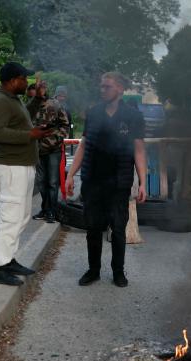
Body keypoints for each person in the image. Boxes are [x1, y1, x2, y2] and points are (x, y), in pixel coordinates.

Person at [65, 71, 147, 288]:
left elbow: (139, 150)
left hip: (119, 183)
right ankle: (93, 271)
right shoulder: (93, 113)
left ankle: (118, 272)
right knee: (92, 229)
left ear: (119, 89)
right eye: (101, 86)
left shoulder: (133, 116)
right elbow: (84, 145)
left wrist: (143, 182)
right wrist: (71, 175)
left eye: (107, 86)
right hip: (92, 181)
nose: (102, 90)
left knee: (118, 230)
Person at [0, 62, 53, 286]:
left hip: (22, 166)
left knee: (21, 216)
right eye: (24, 79)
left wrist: (37, 100)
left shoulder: (12, 100)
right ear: (13, 80)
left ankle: (9, 259)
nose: (28, 83)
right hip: (11, 167)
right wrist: (31, 135)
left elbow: (22, 121)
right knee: (9, 217)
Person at [29, 81, 70, 223]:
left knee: (52, 182)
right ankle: (45, 209)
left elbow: (65, 125)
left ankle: (52, 211)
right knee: (41, 182)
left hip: (53, 149)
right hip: (37, 150)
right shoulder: (31, 107)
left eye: (40, 89)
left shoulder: (55, 104)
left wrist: (56, 139)